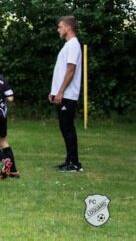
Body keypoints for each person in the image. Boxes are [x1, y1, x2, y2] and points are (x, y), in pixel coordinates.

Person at [49, 15, 83, 172]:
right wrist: (54, 91)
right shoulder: (68, 45)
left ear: (68, 28)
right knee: (65, 128)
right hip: (62, 94)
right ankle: (69, 160)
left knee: (68, 128)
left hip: (68, 95)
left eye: (60, 27)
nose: (58, 29)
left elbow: (71, 69)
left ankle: (74, 163)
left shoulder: (73, 45)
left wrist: (61, 91)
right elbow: (62, 70)